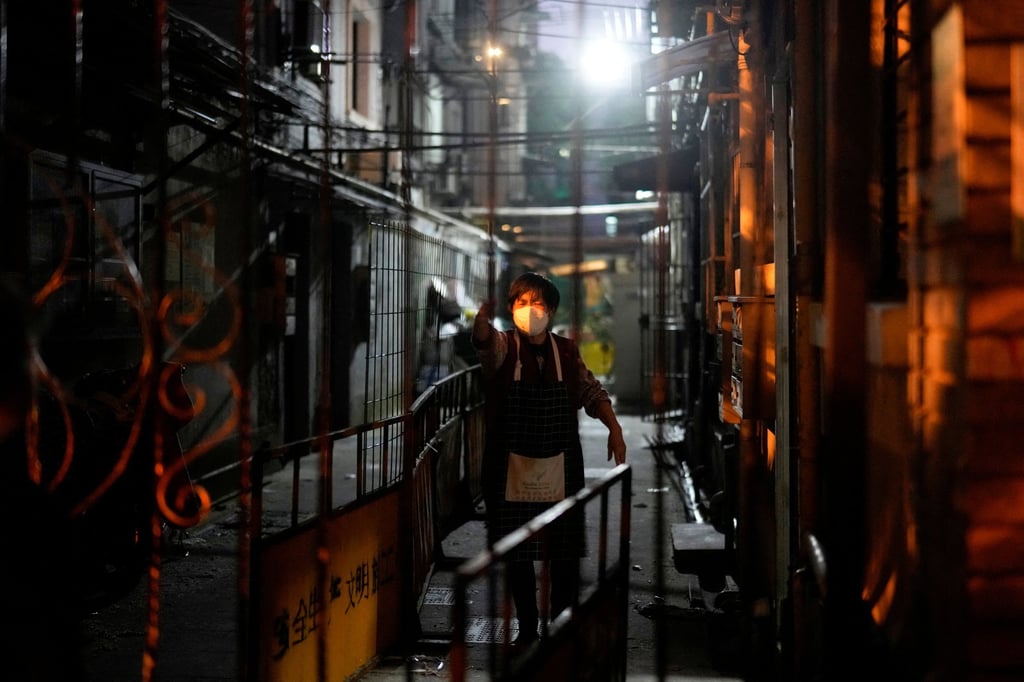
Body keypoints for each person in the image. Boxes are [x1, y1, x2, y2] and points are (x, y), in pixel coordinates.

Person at [472, 271, 627, 648]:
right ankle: (527, 628)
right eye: (521, 303)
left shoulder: (568, 351)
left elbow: (592, 391)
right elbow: (485, 344)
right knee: (518, 554)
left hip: (560, 465)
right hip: (509, 469)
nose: (529, 310)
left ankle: (559, 626)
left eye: (537, 303)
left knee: (563, 554)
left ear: (552, 310)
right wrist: (480, 323)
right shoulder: (505, 348)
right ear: (511, 310)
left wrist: (615, 427)